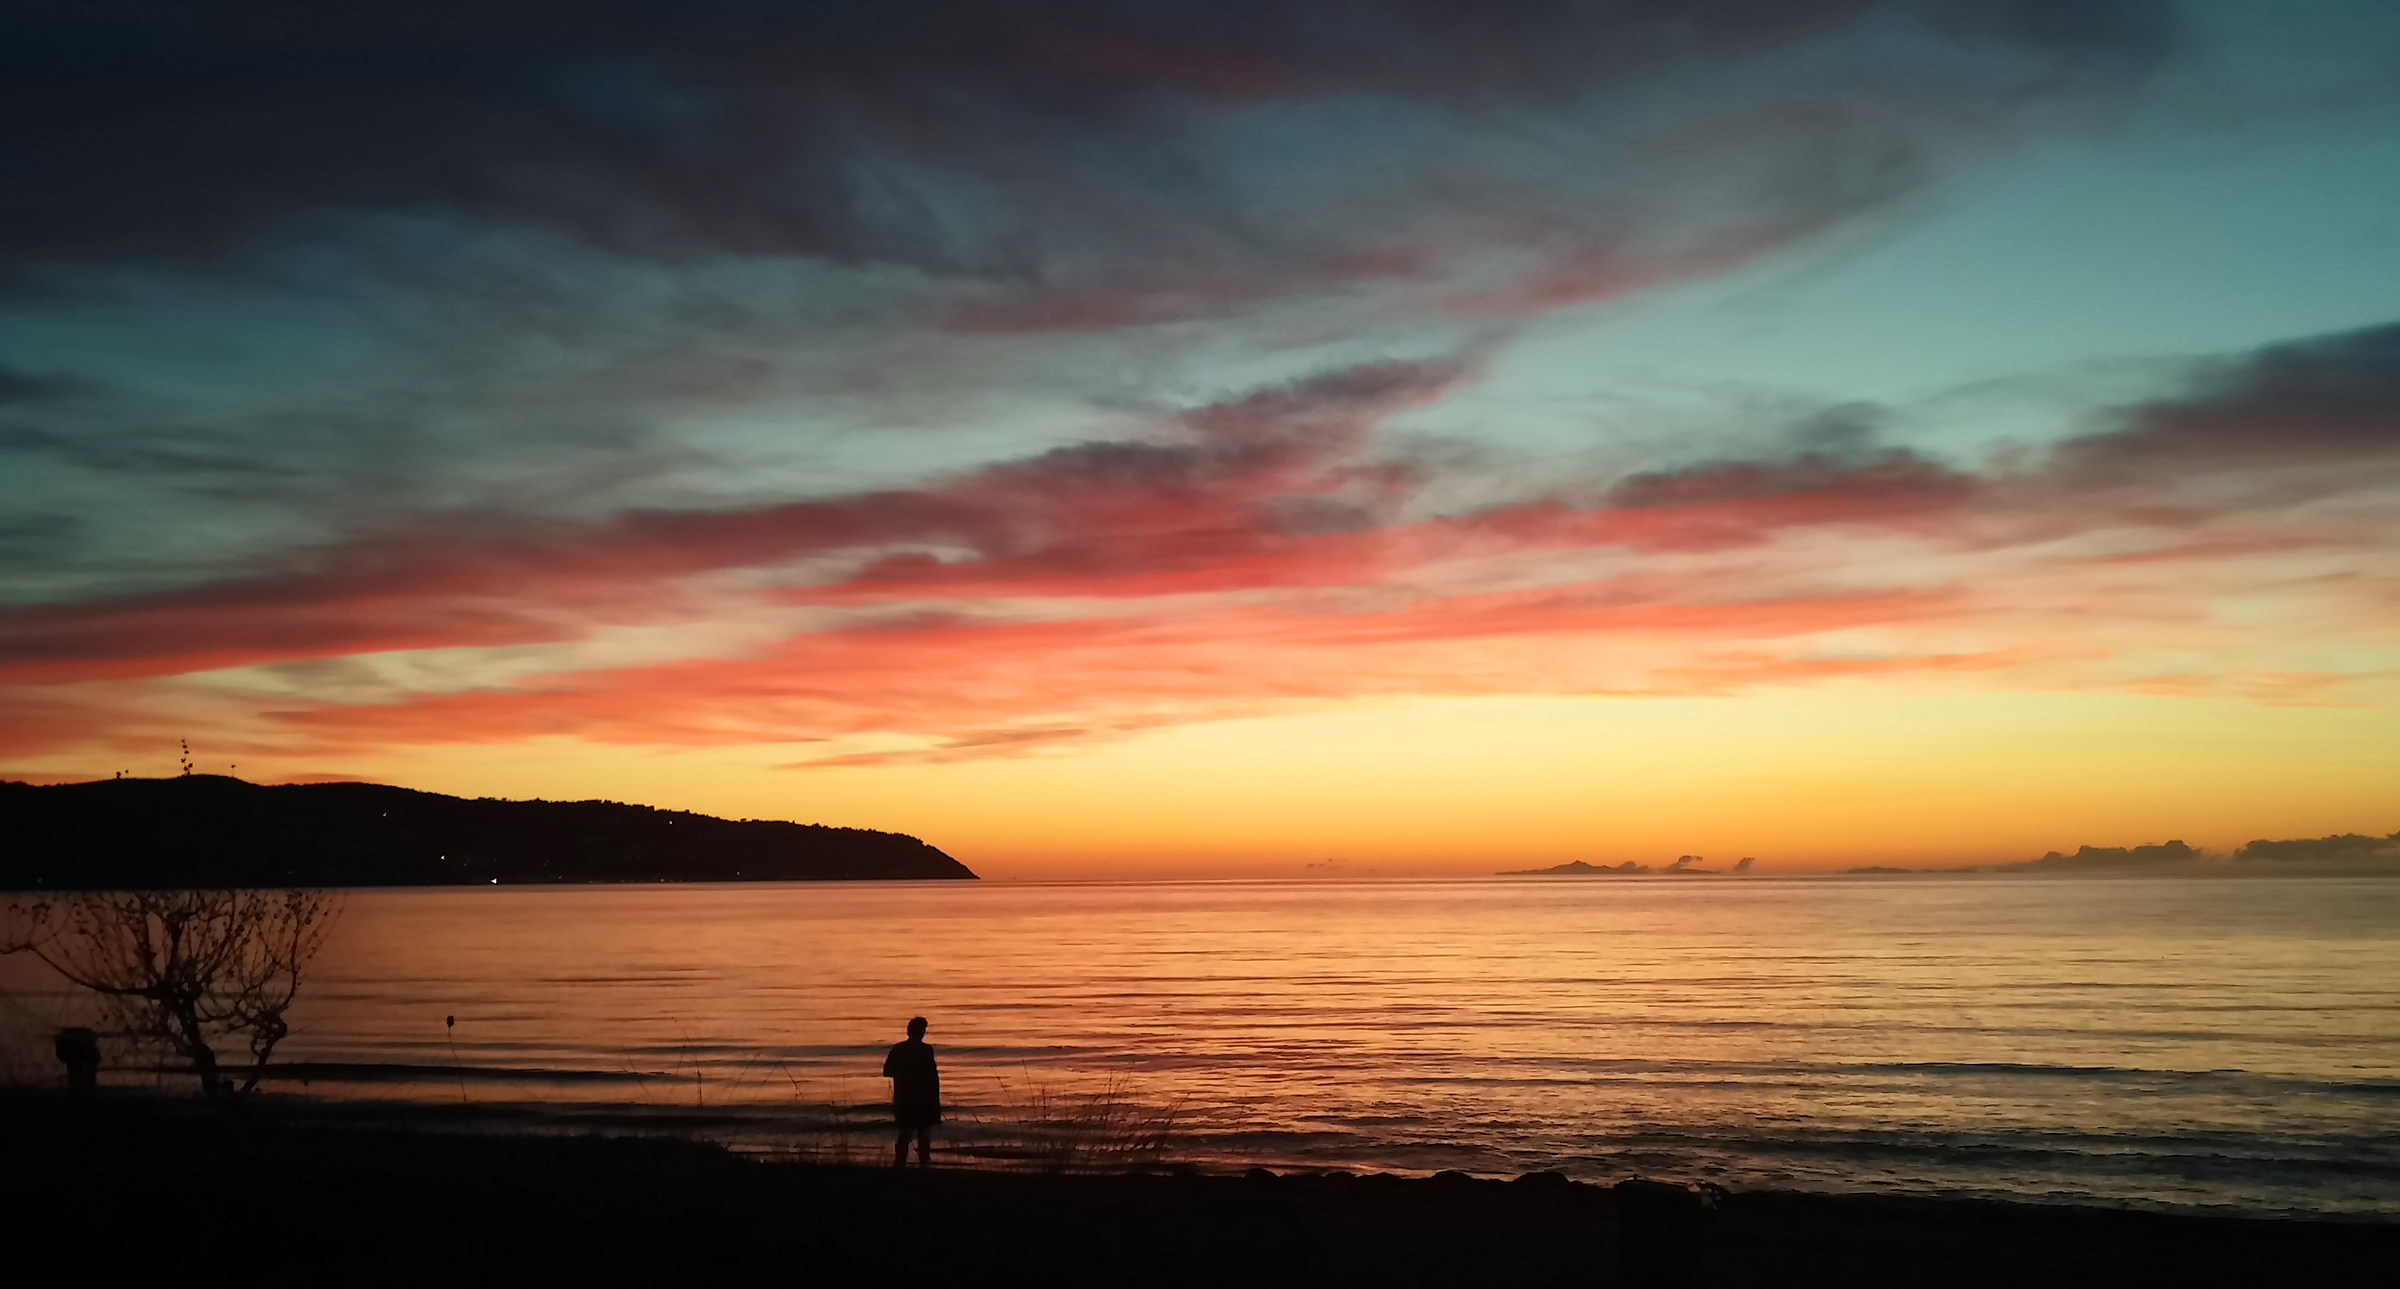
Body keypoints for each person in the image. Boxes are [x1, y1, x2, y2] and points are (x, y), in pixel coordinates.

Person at [882, 1016, 940, 1167]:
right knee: (923, 1135)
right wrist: (935, 1101)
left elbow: (887, 1071)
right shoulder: (926, 1050)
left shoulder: (898, 1049)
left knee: (904, 1134)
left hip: (904, 1097)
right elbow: (933, 1077)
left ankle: (900, 1164)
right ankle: (923, 1165)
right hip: (923, 1099)